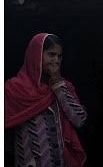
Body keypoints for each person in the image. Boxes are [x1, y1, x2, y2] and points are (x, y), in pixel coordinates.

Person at [4, 33, 87, 167]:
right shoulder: (14, 89)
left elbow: (79, 120)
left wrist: (57, 84)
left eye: (59, 56)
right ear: (35, 55)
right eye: (51, 54)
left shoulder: (63, 87)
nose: (56, 61)